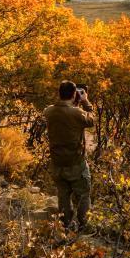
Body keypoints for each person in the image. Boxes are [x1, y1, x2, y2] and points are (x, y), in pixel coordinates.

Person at [44, 80, 95, 230]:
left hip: (57, 163)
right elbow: (91, 121)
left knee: (63, 195)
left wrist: (73, 103)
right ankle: (84, 226)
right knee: (83, 195)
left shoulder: (49, 111)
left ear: (59, 93)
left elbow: (63, 113)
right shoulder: (77, 112)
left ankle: (65, 225)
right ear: (74, 94)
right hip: (75, 163)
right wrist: (86, 101)